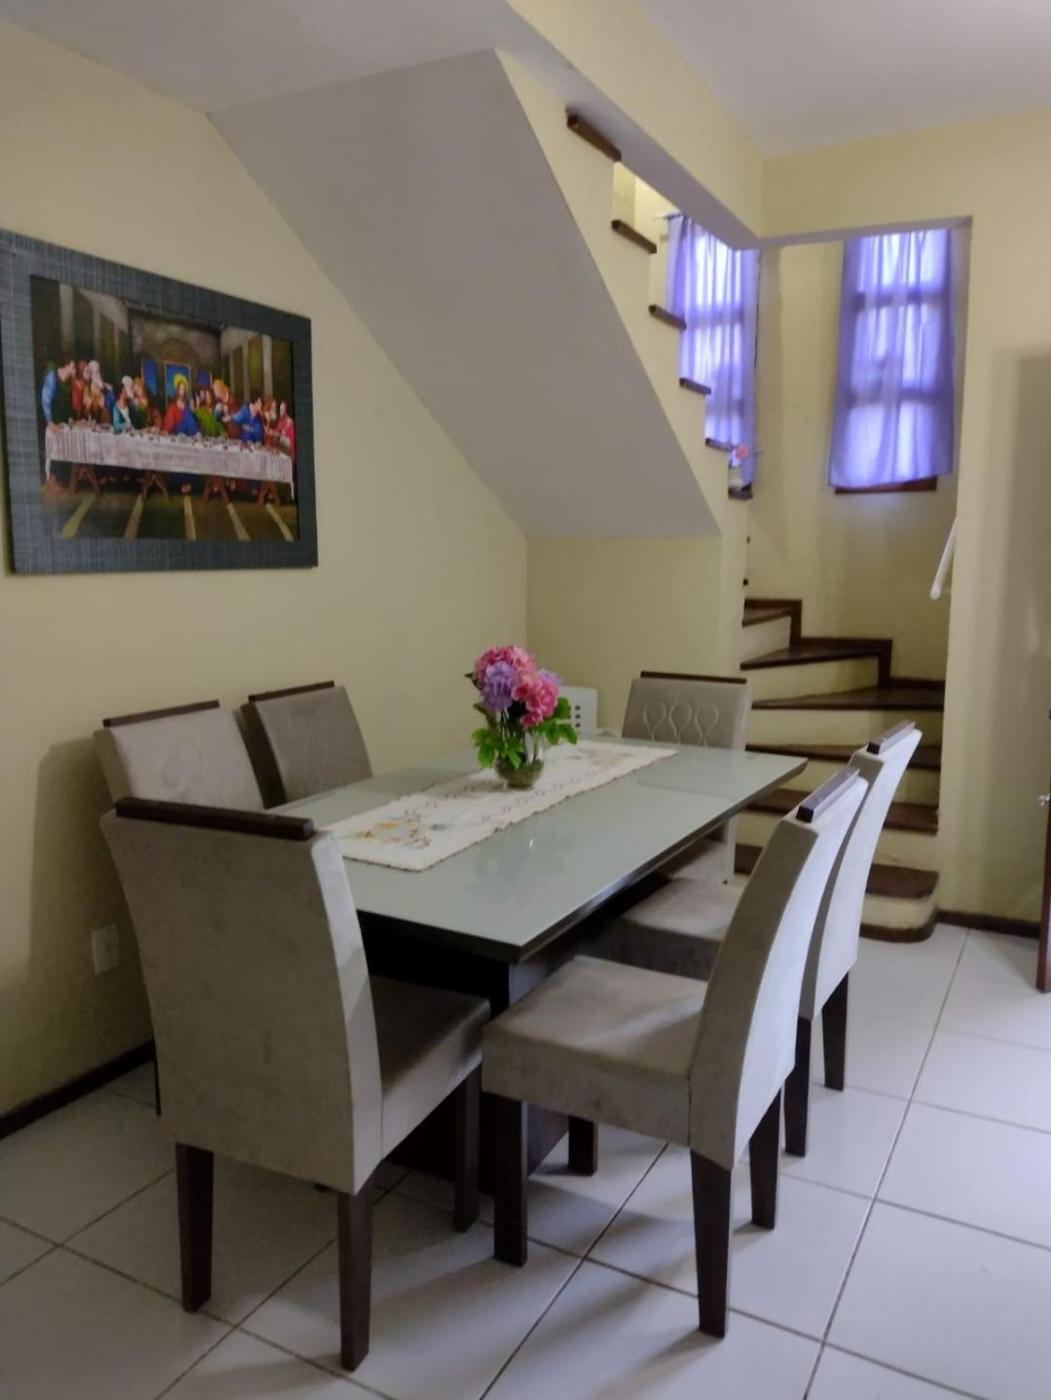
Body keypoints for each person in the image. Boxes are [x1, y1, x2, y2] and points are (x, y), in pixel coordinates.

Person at [40, 359, 76, 426]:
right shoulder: (52, 377)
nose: (75, 370)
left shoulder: (69, 382)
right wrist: (50, 422)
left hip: (62, 422)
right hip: (51, 421)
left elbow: (69, 403)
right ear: (66, 366)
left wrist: (71, 418)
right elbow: (45, 401)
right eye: (73, 367)